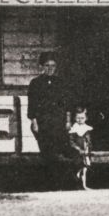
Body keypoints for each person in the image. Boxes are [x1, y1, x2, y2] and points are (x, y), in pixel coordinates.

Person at [27, 51, 72, 188]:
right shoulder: (35, 83)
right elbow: (32, 104)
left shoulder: (61, 83)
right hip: (43, 122)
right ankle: (50, 183)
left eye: (53, 65)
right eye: (47, 65)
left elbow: (67, 103)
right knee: (47, 153)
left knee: (61, 151)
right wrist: (34, 122)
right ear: (41, 66)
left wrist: (68, 120)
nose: (50, 68)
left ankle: (62, 182)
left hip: (58, 121)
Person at [67, 107, 93, 190]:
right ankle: (77, 183)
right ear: (75, 118)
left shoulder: (87, 129)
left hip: (85, 151)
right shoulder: (73, 129)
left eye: (82, 118)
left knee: (85, 168)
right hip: (77, 152)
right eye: (78, 118)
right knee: (77, 166)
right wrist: (78, 149)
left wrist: (88, 148)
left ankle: (84, 185)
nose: (80, 120)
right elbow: (71, 142)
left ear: (86, 118)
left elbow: (88, 140)